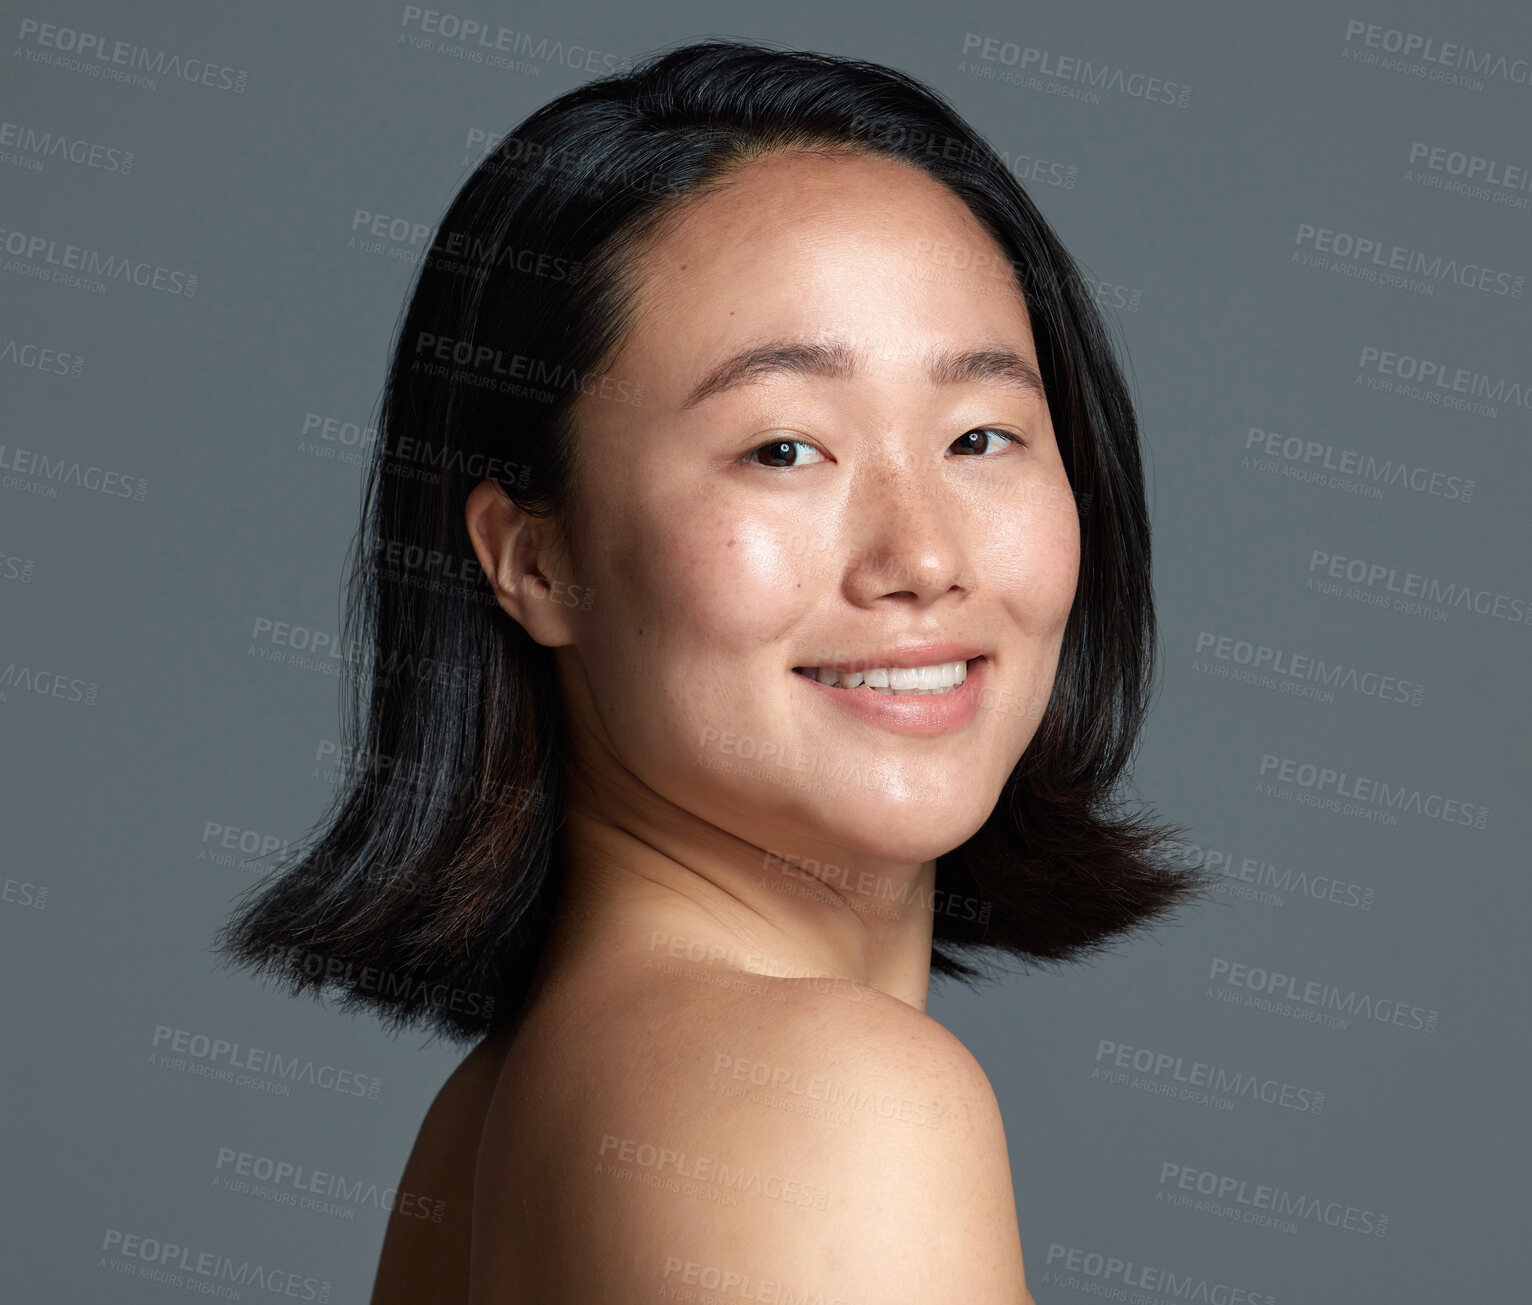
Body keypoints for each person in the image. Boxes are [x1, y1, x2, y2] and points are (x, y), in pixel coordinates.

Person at [214, 38, 1212, 1304]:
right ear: (535, 558)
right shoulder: (824, 1105)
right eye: (784, 449)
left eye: (979, 434)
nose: (919, 557)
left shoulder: (500, 1116)